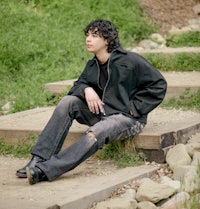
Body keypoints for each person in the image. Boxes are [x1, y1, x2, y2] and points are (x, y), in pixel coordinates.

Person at [16, 19, 167, 185]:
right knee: (68, 102)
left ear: (107, 40)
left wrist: (134, 109)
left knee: (96, 131)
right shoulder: (92, 64)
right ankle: (39, 159)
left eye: (94, 36)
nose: (88, 39)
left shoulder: (130, 60)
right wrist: (86, 90)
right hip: (103, 113)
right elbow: (78, 85)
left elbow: (159, 84)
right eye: (87, 35)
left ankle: (45, 170)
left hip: (127, 119)